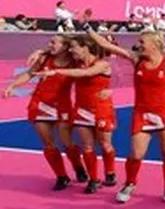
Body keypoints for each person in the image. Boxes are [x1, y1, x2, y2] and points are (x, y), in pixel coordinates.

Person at [84, 21, 165, 205]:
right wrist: (87, 27)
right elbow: (106, 45)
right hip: (142, 114)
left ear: (154, 44)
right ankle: (129, 184)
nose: (138, 45)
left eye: (142, 42)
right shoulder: (136, 59)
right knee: (136, 155)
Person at [36, 35, 118, 193]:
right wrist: (42, 52)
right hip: (82, 109)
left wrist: (56, 71)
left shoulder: (102, 64)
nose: (71, 50)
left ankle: (110, 172)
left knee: (105, 145)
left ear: (85, 47)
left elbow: (86, 73)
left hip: (101, 108)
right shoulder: (76, 63)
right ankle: (94, 180)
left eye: (74, 47)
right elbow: (59, 54)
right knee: (87, 146)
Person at [3, 35, 85, 189]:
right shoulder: (44, 59)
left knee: (67, 143)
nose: (50, 44)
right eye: (50, 42)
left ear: (65, 46)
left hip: (62, 105)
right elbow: (29, 74)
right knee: (48, 143)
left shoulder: (76, 61)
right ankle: (61, 176)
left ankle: (78, 166)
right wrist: (12, 85)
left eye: (53, 42)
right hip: (40, 104)